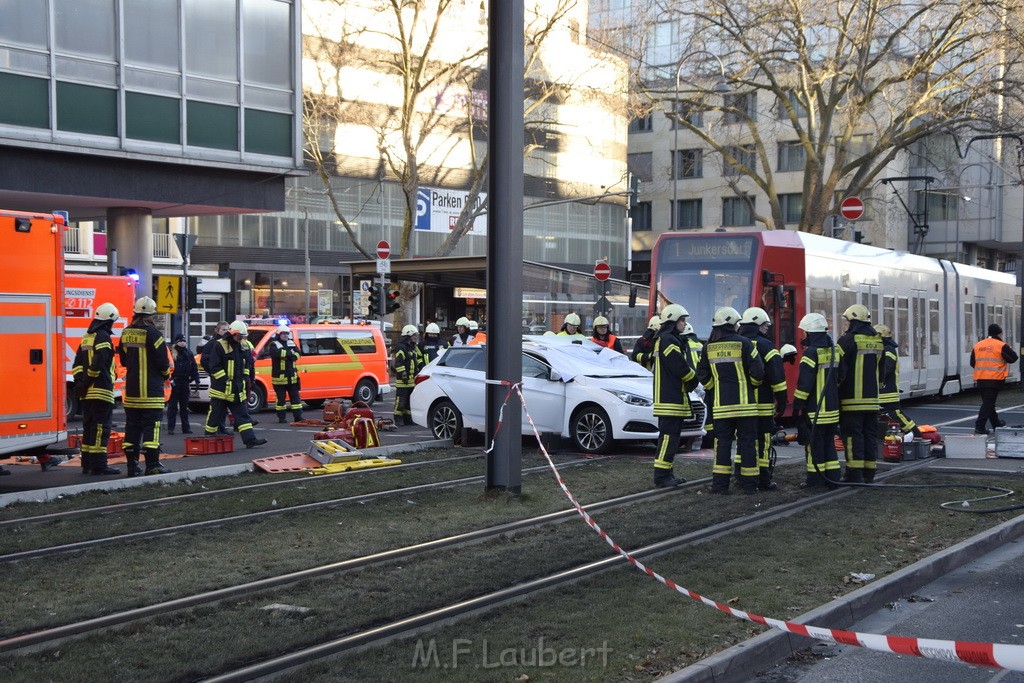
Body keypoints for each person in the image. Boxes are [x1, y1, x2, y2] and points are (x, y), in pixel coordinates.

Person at [697, 306, 764, 494]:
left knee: (722, 445)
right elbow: (758, 370)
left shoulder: (708, 347)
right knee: (748, 445)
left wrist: (714, 387)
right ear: (733, 324)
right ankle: (751, 486)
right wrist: (752, 385)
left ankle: (720, 486)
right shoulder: (745, 343)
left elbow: (702, 373)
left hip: (721, 406)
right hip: (745, 406)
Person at [118, 296, 172, 476]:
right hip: (151, 391)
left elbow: (124, 360)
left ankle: (132, 467)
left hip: (132, 392)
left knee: (132, 428)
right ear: (151, 315)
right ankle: (152, 465)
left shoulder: (126, 332)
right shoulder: (154, 333)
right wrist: (166, 375)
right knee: (152, 427)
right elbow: (162, 362)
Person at [738, 307, 788, 491]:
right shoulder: (767, 346)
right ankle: (763, 480)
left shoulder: (737, 343)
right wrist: (782, 401)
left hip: (741, 403)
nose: (767, 328)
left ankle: (741, 476)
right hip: (763, 404)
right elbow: (777, 376)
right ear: (757, 325)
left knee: (744, 441)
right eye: (765, 325)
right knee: (763, 442)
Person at [791, 313, 844, 488]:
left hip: (815, 410)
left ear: (810, 333)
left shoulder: (811, 353)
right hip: (832, 409)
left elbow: (804, 384)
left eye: (805, 332)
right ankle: (833, 478)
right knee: (829, 444)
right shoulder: (834, 350)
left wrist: (797, 406)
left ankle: (815, 481)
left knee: (814, 446)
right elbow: (842, 376)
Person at [70, 302, 121, 475]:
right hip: (101, 390)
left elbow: (77, 364)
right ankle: (99, 465)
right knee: (101, 428)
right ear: (109, 321)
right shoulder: (103, 337)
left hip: (86, 393)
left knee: (89, 428)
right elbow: (99, 362)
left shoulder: (87, 337)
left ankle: (87, 463)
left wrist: (80, 383)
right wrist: (87, 381)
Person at [651, 304, 698, 487]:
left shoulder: (667, 339)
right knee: (669, 439)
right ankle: (662, 476)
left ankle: (666, 473)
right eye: (682, 320)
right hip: (670, 399)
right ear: (672, 321)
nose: (684, 324)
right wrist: (693, 380)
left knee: (670, 439)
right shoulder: (668, 340)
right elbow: (679, 366)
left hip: (670, 397)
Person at [837, 304, 883, 483]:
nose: (846, 325)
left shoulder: (847, 341)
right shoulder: (878, 340)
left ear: (853, 321)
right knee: (870, 436)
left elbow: (839, 369)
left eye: (848, 321)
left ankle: (853, 474)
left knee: (852, 437)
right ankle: (869, 473)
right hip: (872, 400)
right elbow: (882, 368)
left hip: (851, 400)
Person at [203, 321, 268, 448]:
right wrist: (226, 381)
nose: (241, 339)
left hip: (237, 389)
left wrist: (245, 378)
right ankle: (207, 437)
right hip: (221, 390)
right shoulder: (219, 345)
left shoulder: (243, 345)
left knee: (243, 416)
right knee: (215, 415)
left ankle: (250, 440)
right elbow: (214, 367)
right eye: (239, 336)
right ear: (232, 333)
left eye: (243, 337)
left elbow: (247, 364)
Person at [971, 323, 1019, 434]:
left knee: (989, 403)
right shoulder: (1001, 345)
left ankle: (996, 423)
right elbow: (1013, 358)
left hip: (980, 378)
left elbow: (972, 362)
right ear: (999, 333)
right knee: (988, 403)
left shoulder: (978, 345)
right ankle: (980, 426)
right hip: (994, 379)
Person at [875, 324, 921, 437]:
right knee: (888, 415)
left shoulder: (888, 350)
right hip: (883, 391)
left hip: (887, 392)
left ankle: (915, 434)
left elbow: (886, 369)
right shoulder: (884, 349)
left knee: (896, 414)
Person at [200, 321, 232, 435]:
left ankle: (221, 427)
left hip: (226, 379)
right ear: (217, 330)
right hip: (217, 379)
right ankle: (214, 429)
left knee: (223, 406)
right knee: (217, 406)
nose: (226, 332)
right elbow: (204, 360)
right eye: (223, 330)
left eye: (227, 329)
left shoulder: (228, 342)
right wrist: (213, 372)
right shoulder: (212, 344)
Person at [267, 325, 303, 424]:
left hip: (292, 378)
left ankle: (298, 417)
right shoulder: (273, 344)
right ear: (279, 334)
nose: (286, 335)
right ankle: (281, 418)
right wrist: (290, 353)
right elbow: (277, 354)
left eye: (287, 333)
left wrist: (290, 354)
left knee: (296, 399)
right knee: (281, 401)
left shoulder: (291, 343)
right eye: (284, 333)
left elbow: (298, 353)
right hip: (280, 379)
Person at [167, 333, 200, 434]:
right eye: (180, 341)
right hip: (175, 382)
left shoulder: (188, 352)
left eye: (184, 341)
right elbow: (167, 367)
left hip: (185, 382)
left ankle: (186, 428)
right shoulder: (172, 352)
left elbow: (194, 367)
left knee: (184, 407)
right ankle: (171, 428)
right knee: (172, 407)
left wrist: (197, 379)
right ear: (177, 342)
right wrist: (170, 380)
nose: (182, 343)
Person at [392, 325, 419, 426]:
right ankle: (398, 418)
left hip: (411, 380)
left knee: (409, 401)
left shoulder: (412, 347)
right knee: (401, 400)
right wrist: (403, 374)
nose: (415, 338)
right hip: (403, 381)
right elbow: (399, 363)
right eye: (414, 335)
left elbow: (413, 362)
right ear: (408, 336)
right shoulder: (401, 347)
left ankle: (408, 418)